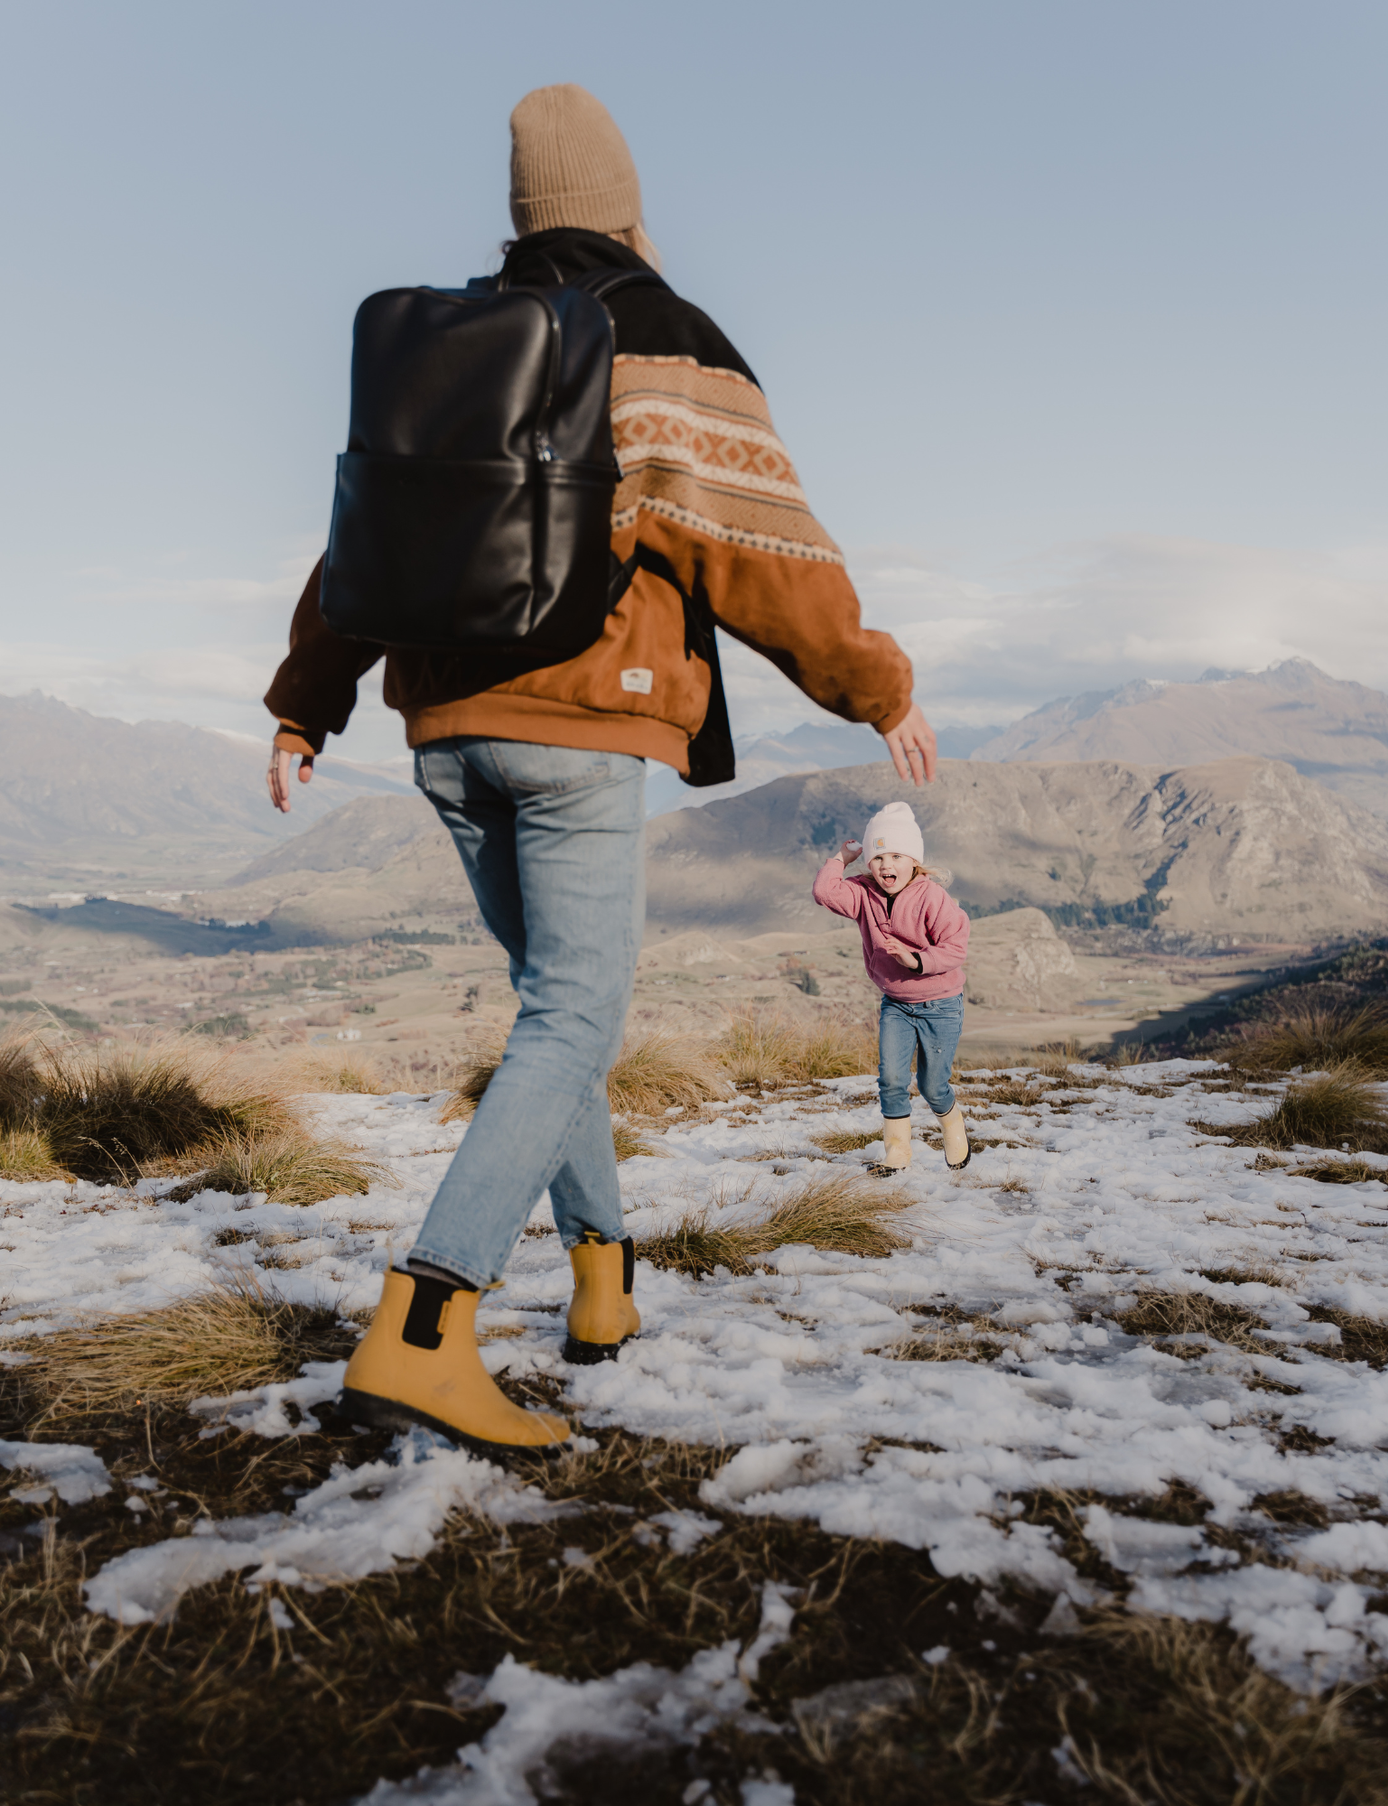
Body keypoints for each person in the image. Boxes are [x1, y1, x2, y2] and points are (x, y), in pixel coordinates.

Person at [264, 83, 938, 1459]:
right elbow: (759, 550)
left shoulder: (454, 347)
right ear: (627, 203)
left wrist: (305, 700)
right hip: (581, 725)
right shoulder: (658, 338)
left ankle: (601, 1286)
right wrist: (875, 685)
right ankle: (427, 1322)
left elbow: (360, 540)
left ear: (518, 212)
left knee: (548, 1011)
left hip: (443, 731)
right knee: (576, 1016)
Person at [812, 801, 970, 1176]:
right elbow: (824, 892)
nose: (886, 865)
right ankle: (897, 1154)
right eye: (878, 856)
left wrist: (916, 960)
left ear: (913, 861)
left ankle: (952, 1124)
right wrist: (841, 857)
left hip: (941, 1004)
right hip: (896, 1004)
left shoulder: (932, 897)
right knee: (892, 1079)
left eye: (896, 855)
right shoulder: (862, 893)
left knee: (932, 1086)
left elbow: (956, 947)